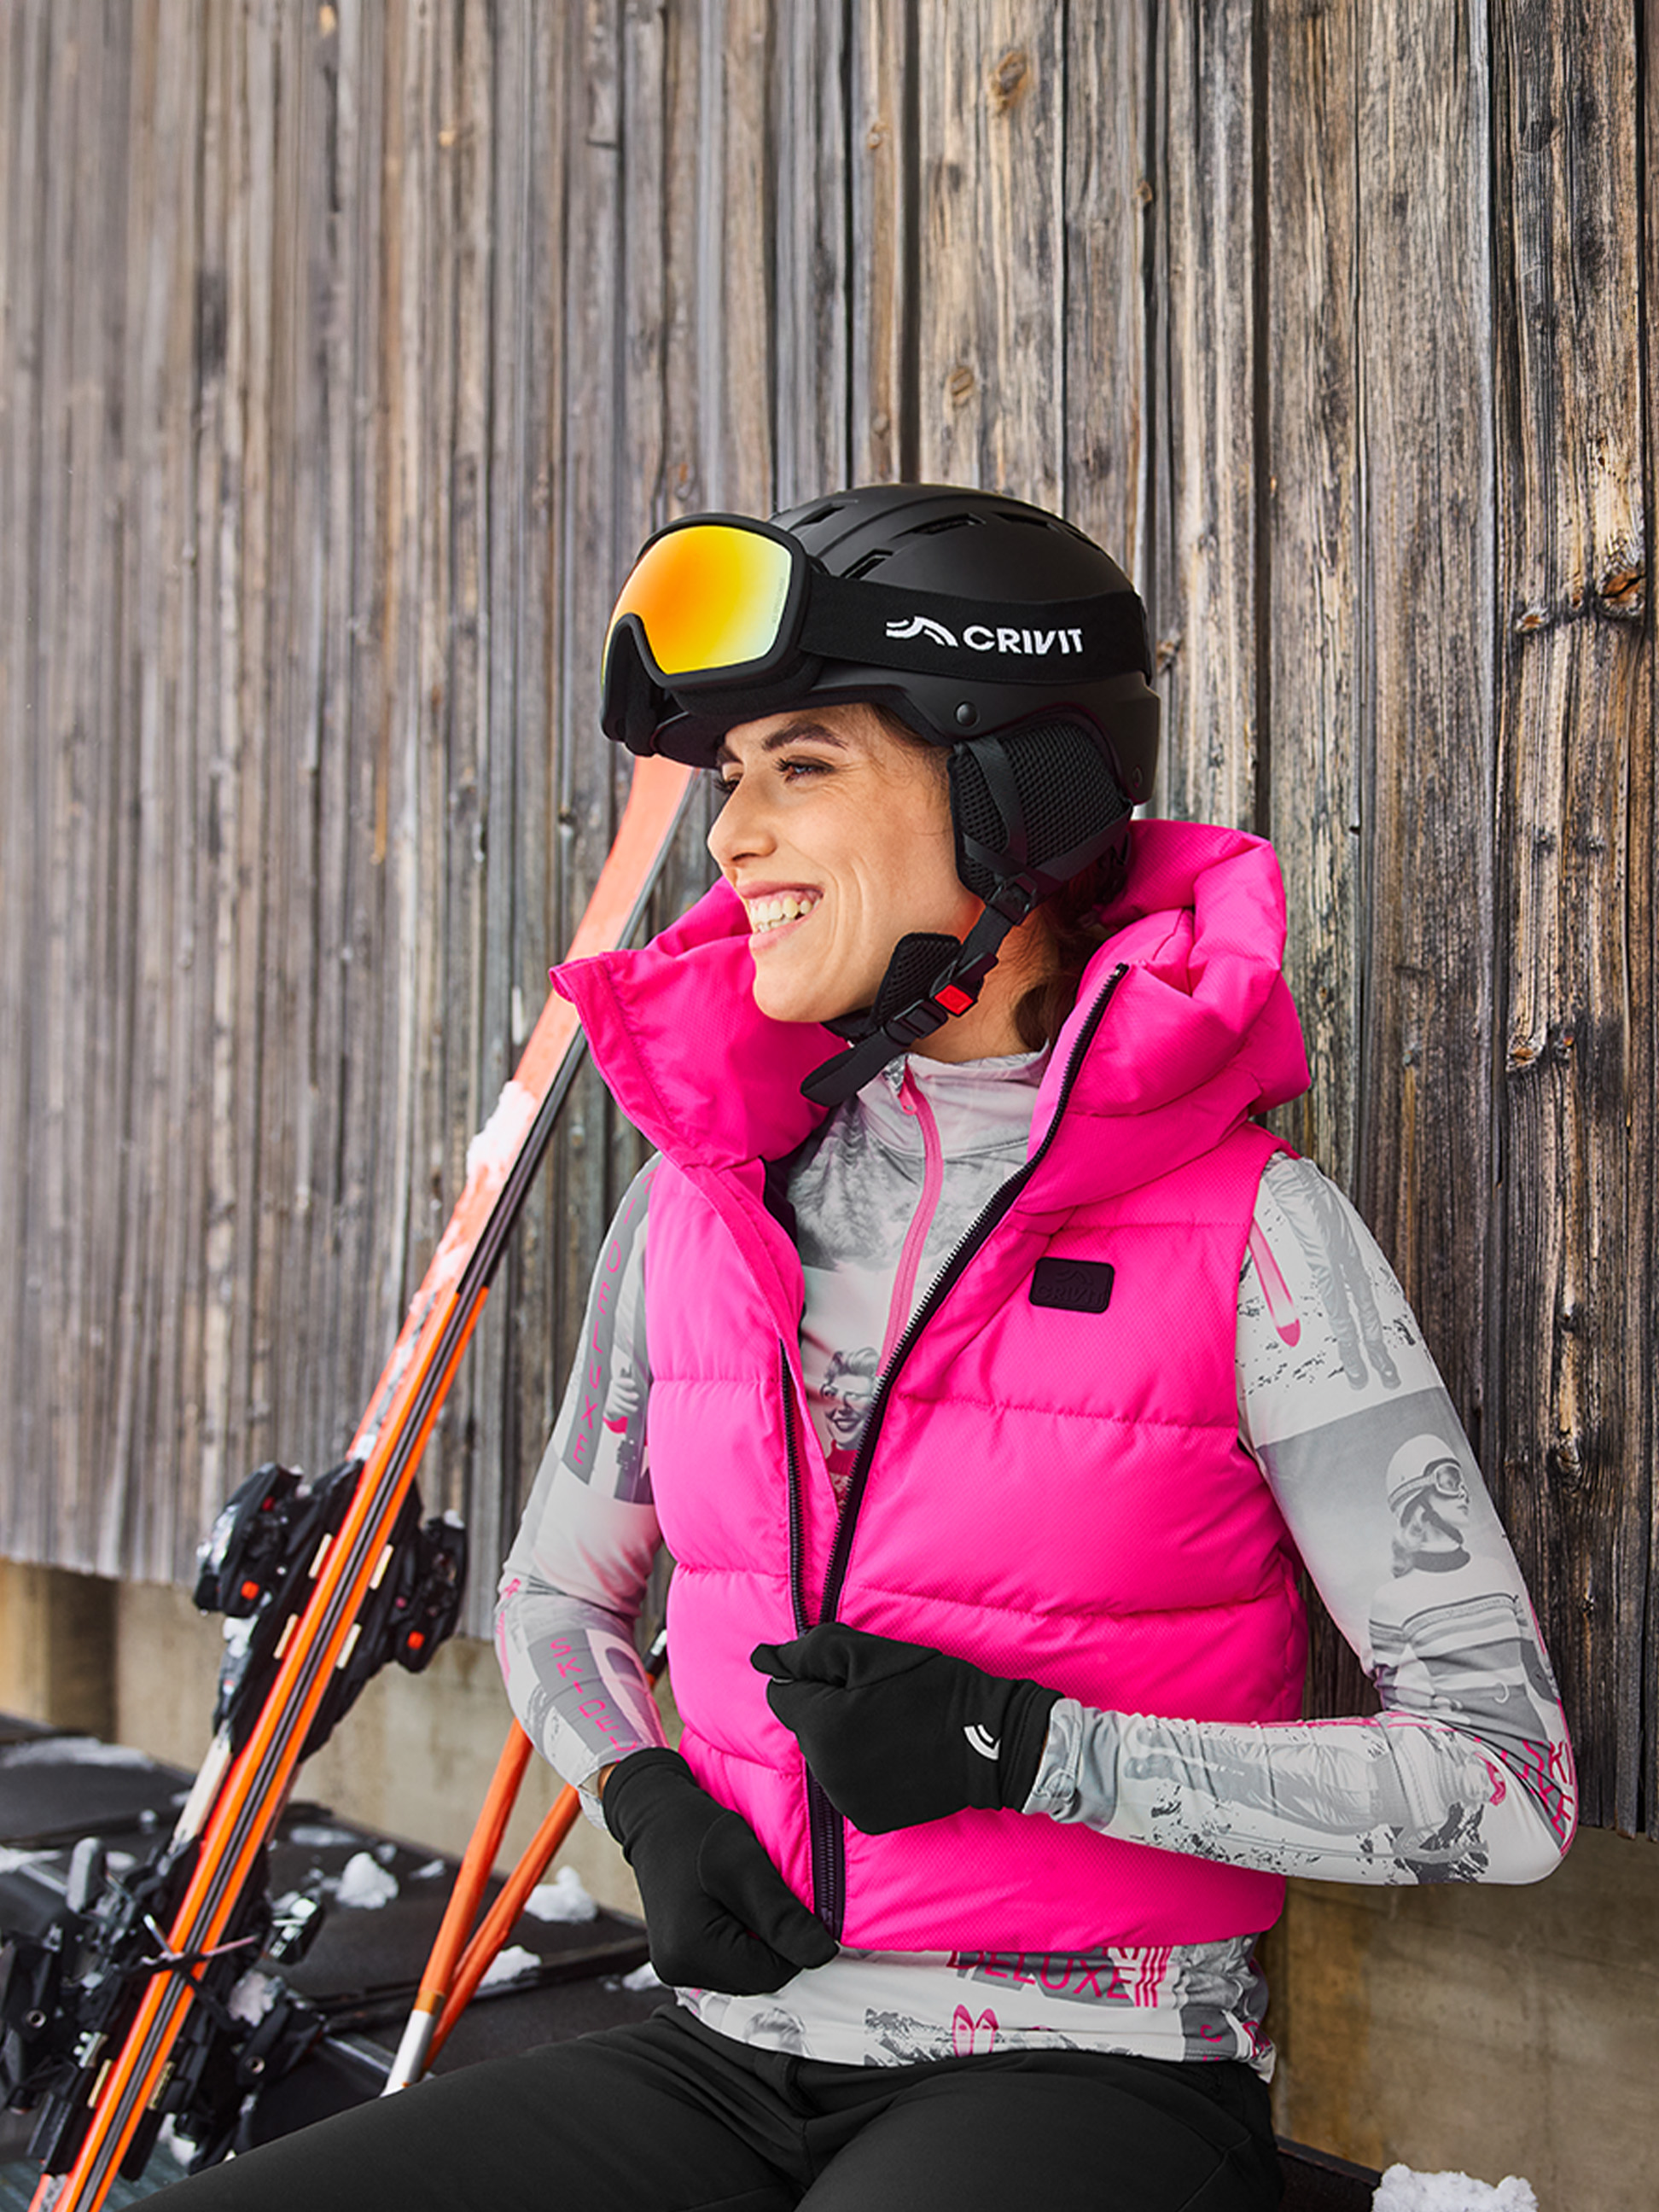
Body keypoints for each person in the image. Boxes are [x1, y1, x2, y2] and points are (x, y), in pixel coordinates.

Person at [148, 485, 1575, 2210]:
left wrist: (1042, 1752)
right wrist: (652, 1794)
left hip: (1088, 2064)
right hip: (726, 2049)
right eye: (730, 778)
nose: (731, 834)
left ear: (1009, 797)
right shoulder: (701, 1207)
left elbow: (1504, 1784)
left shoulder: (1255, 1239)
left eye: (800, 763)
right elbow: (551, 1598)